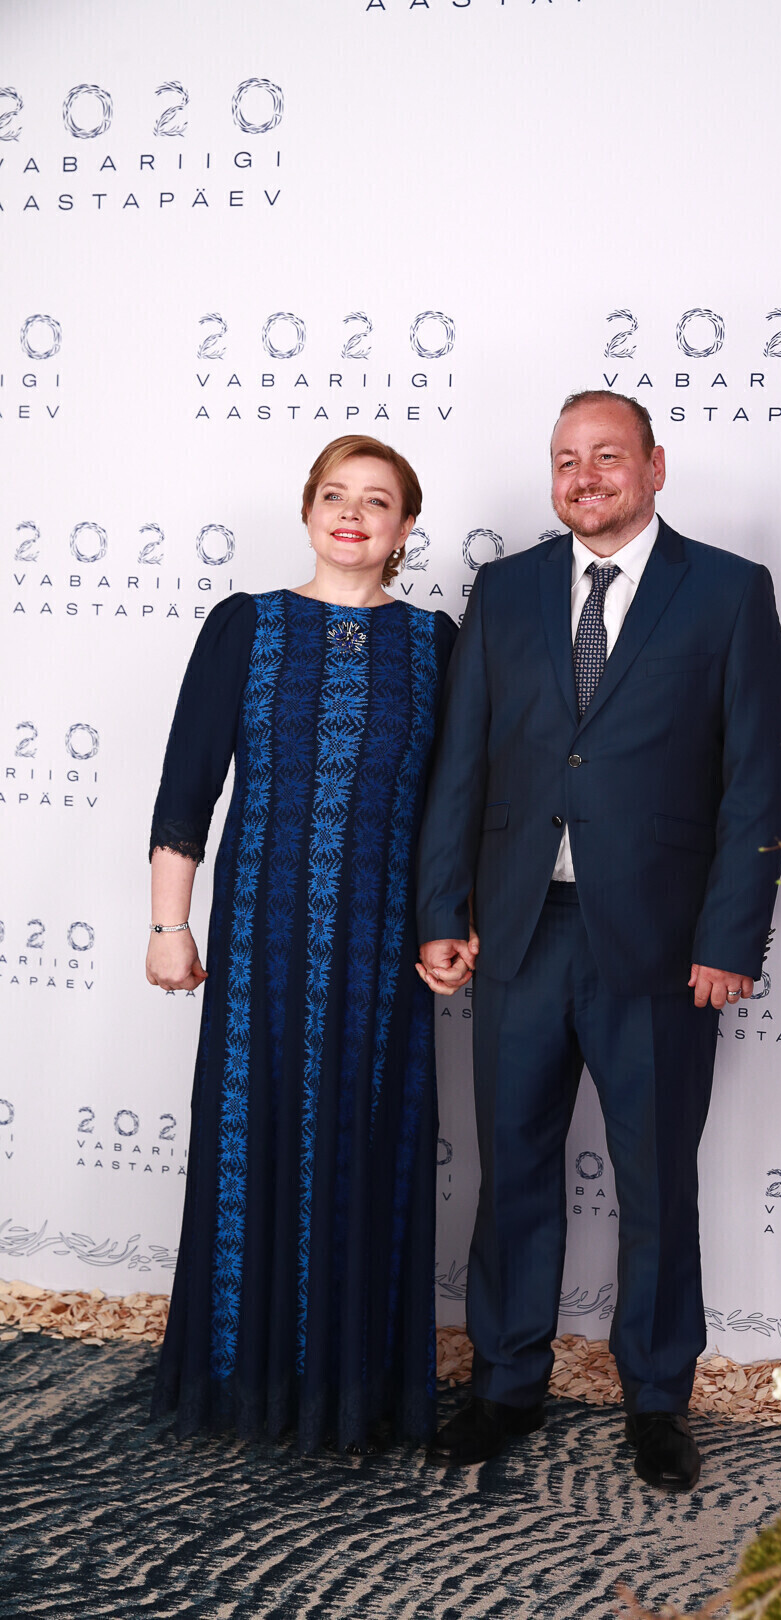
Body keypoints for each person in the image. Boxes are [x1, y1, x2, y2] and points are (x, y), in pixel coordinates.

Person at [416, 391, 781, 1489]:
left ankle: (659, 1398)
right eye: (566, 460)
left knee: (656, 1180)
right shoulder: (505, 591)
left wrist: (731, 936)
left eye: (607, 456)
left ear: (655, 467)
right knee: (512, 1166)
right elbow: (462, 762)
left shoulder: (727, 590)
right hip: (520, 932)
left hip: (665, 946)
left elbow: (758, 776)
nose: (585, 477)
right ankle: (505, 1382)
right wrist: (441, 912)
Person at [146, 434, 462, 1454]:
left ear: (405, 528)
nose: (352, 514)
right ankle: (243, 1375)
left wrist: (449, 923)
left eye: (377, 501)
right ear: (308, 510)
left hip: (383, 949)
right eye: (335, 495)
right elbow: (188, 785)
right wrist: (168, 925)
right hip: (261, 941)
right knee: (254, 1142)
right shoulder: (246, 625)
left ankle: (350, 1385)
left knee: (368, 1147)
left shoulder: (437, 642)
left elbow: (458, 804)